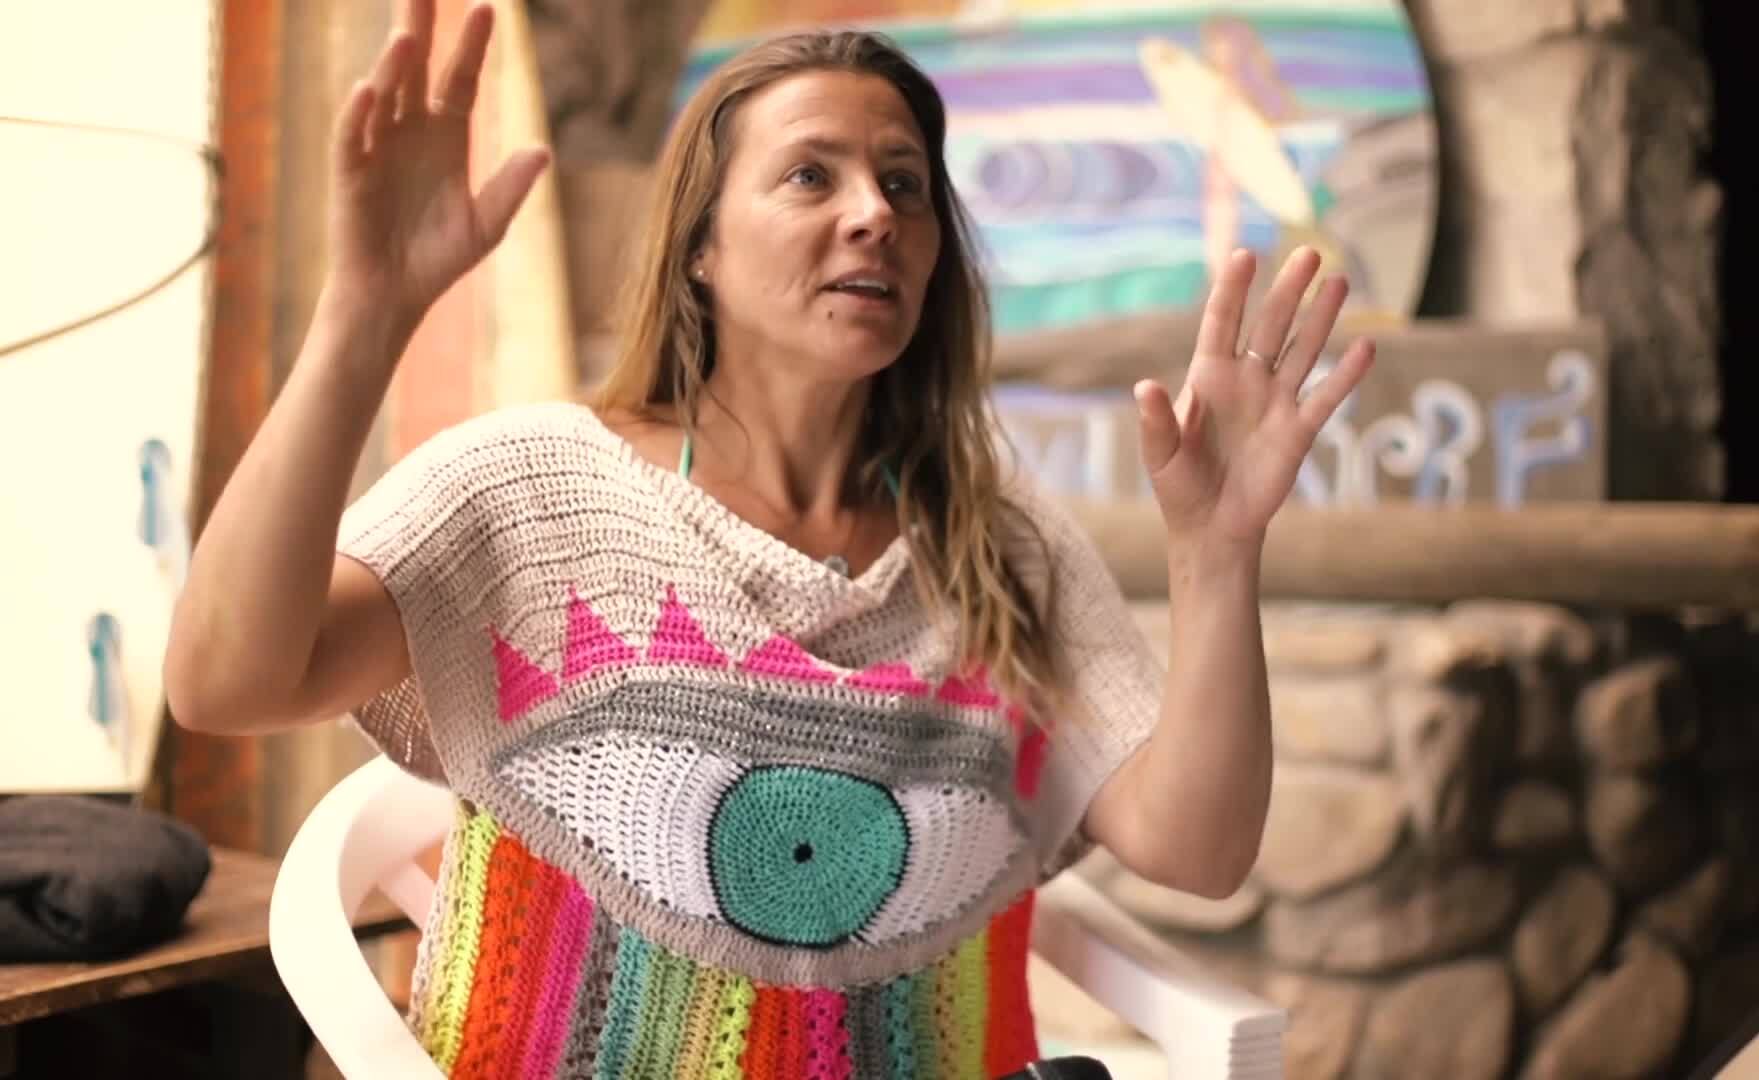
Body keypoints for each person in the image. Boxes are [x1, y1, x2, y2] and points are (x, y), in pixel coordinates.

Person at [163, 1, 1374, 1076]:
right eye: (810, 176)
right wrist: (362, 318)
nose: (874, 215)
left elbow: (1196, 847)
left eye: (905, 184)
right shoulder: (530, 485)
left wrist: (1218, 553)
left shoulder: (999, 543)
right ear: (701, 245)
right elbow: (224, 681)